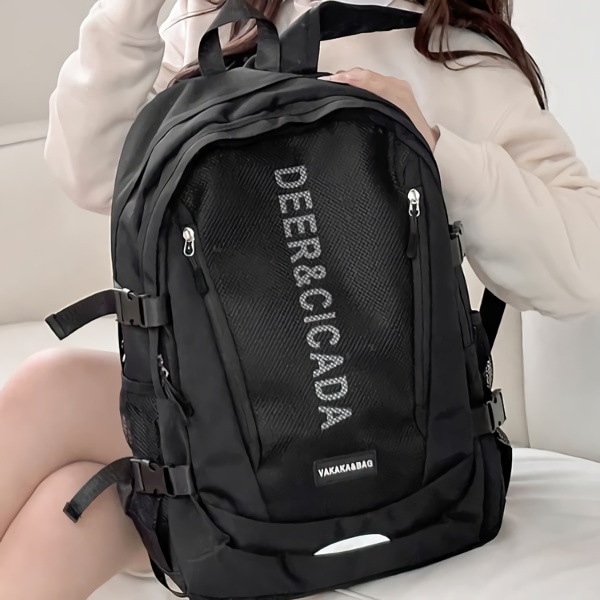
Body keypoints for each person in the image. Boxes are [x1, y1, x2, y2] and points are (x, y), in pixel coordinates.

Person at [1, 0, 599, 598]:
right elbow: (94, 174)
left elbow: (584, 268)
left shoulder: (458, 59)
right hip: (229, 443)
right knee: (72, 510)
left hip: (385, 441)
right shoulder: (221, 21)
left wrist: (438, 149)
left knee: (53, 393)